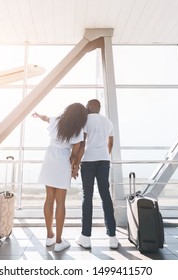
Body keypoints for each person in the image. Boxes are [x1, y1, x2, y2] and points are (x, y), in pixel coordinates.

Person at [33, 103, 88, 252]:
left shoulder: (56, 120)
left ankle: (49, 236)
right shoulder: (77, 129)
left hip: (49, 157)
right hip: (63, 160)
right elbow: (75, 154)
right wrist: (73, 168)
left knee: (49, 199)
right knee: (61, 202)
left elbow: (46, 118)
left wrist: (38, 115)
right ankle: (58, 242)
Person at [72, 99, 119, 249]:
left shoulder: (85, 121)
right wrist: (105, 154)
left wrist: (76, 164)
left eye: (87, 106)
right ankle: (112, 238)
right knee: (105, 196)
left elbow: (82, 143)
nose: (85, 108)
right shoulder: (108, 122)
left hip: (89, 161)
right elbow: (110, 142)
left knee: (87, 196)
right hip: (104, 161)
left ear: (91, 107)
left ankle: (85, 237)